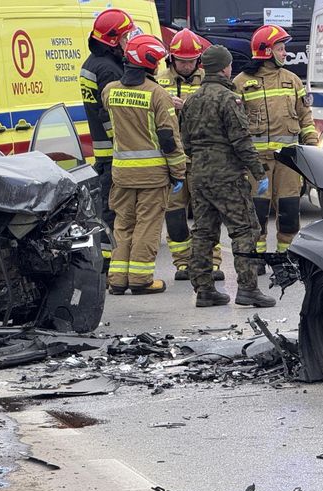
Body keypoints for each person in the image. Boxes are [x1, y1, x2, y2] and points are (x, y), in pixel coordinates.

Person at [180, 45, 276, 308]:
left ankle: (204, 290)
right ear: (225, 67)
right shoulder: (228, 98)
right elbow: (241, 140)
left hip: (198, 174)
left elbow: (185, 141)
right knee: (245, 229)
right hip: (227, 176)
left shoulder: (192, 99)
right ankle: (247, 288)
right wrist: (258, 171)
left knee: (203, 232)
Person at [102, 34, 186, 295]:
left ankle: (117, 280)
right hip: (152, 176)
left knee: (123, 225)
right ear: (149, 64)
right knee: (147, 227)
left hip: (121, 175)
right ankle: (140, 280)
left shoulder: (110, 91)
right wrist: (179, 172)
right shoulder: (157, 94)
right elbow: (168, 138)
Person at [232, 24, 318, 266]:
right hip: (256, 165)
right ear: (266, 51)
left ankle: (286, 258)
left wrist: (312, 146)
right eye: (280, 48)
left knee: (290, 212)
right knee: (257, 214)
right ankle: (256, 259)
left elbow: (305, 118)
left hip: (287, 161)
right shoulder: (240, 83)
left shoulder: (292, 81)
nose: (285, 53)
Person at [157, 29, 224, 282]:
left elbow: (222, 114)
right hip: (172, 161)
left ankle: (211, 263)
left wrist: (188, 106)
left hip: (203, 159)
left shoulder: (211, 81)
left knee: (208, 213)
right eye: (181, 60)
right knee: (174, 216)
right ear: (171, 59)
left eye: (190, 60)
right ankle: (183, 263)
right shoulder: (158, 80)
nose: (186, 65)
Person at [80, 9, 135, 271]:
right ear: (113, 40)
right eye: (125, 37)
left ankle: (106, 259)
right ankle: (108, 262)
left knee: (104, 206)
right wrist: (124, 144)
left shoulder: (91, 63)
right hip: (114, 152)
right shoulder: (109, 70)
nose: (129, 42)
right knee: (112, 209)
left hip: (102, 152)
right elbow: (110, 113)